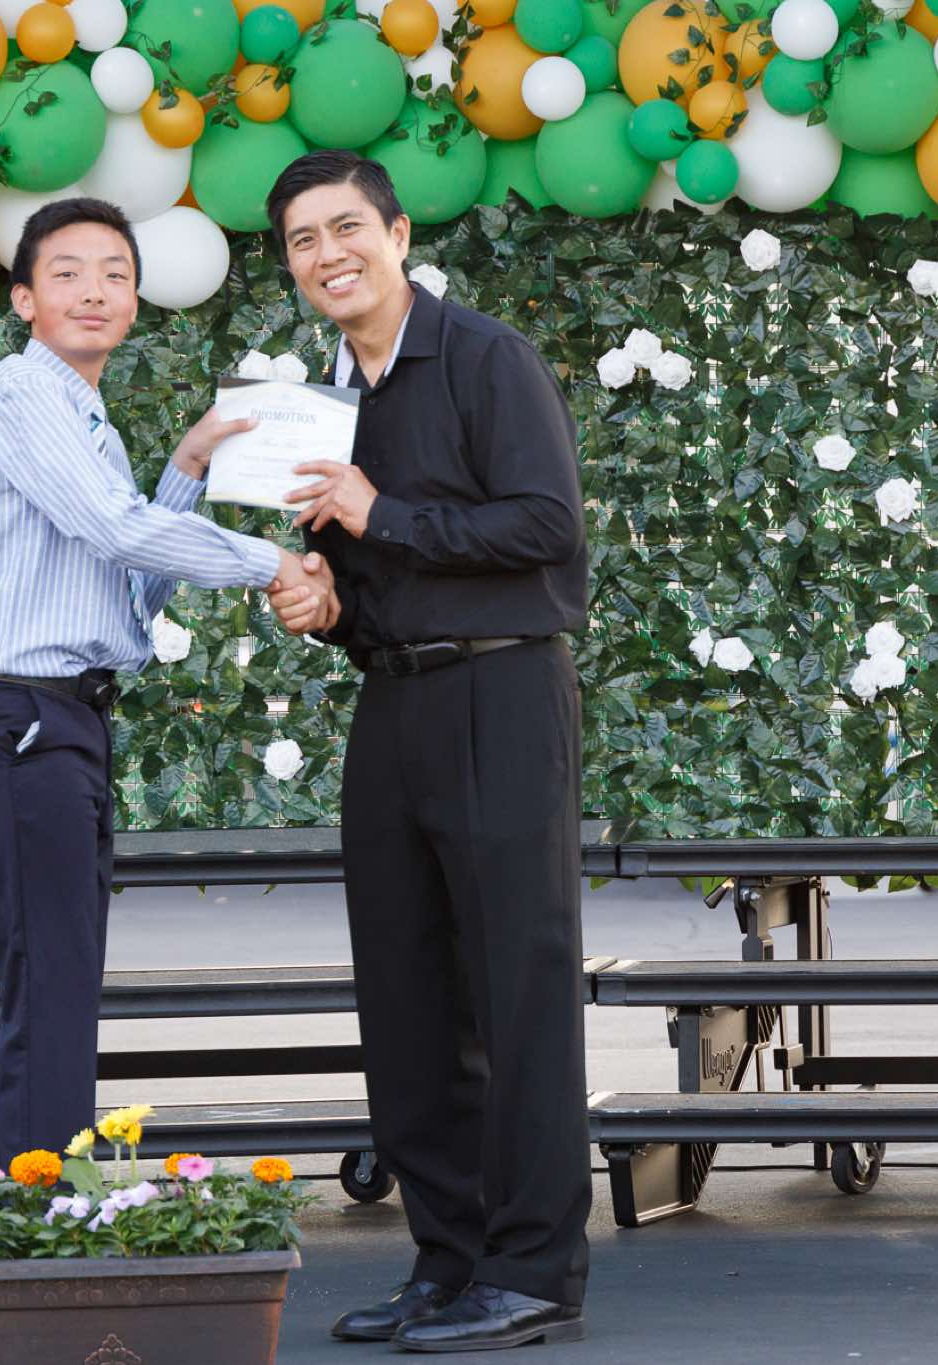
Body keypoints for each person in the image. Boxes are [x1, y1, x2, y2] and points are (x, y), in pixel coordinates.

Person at [0, 195, 333, 1166]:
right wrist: (273, 563)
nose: (94, 291)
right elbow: (114, 529)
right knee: (50, 977)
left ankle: (43, 1196)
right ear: (23, 299)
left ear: (136, 301)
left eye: (115, 274)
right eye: (66, 273)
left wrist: (187, 465)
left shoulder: (82, 417)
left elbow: (127, 602)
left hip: (56, 720)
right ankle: (38, 1205)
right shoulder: (21, 394)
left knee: (59, 976)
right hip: (16, 717)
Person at [264, 150, 594, 1352]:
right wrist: (325, 605)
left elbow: (546, 526)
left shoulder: (485, 358)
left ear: (397, 235)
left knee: (517, 991)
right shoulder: (319, 404)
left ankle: (531, 1270)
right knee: (404, 998)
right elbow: (370, 578)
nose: (328, 254)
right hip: (391, 703)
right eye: (302, 240)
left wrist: (379, 512)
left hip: (501, 693)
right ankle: (447, 1261)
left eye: (346, 227)